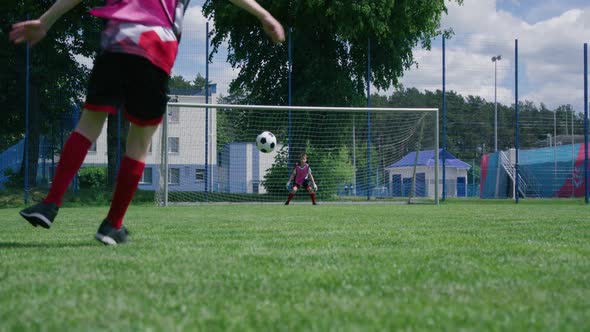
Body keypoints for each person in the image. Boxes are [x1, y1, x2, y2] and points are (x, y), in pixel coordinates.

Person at [10, 0, 285, 245]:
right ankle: (111, 225)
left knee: (88, 125)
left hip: (115, 43)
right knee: (140, 142)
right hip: (154, 47)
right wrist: (263, 15)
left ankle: (49, 204)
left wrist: (45, 21)